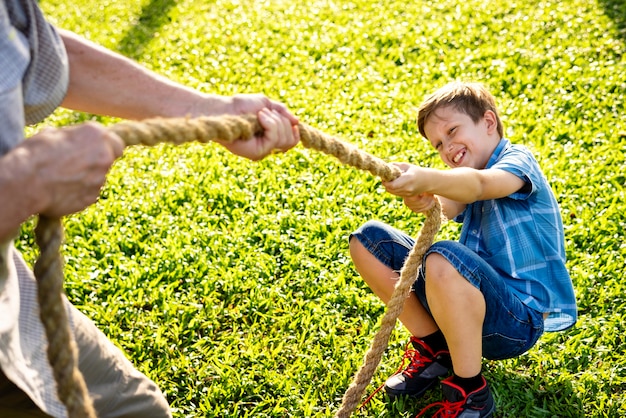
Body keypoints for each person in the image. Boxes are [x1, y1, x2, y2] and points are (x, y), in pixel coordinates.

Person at [0, 0, 300, 416]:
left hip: (9, 294)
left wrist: (215, 110)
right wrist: (21, 183)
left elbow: (31, 47)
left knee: (135, 410)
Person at [349, 81, 577, 417]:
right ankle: (436, 350)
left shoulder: (517, 162)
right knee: (368, 241)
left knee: (444, 256)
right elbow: (447, 204)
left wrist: (428, 177)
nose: (447, 146)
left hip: (515, 322)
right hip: (466, 308)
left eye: (453, 131)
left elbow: (479, 186)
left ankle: (471, 392)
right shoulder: (462, 178)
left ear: (488, 122)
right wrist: (422, 196)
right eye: (438, 144)